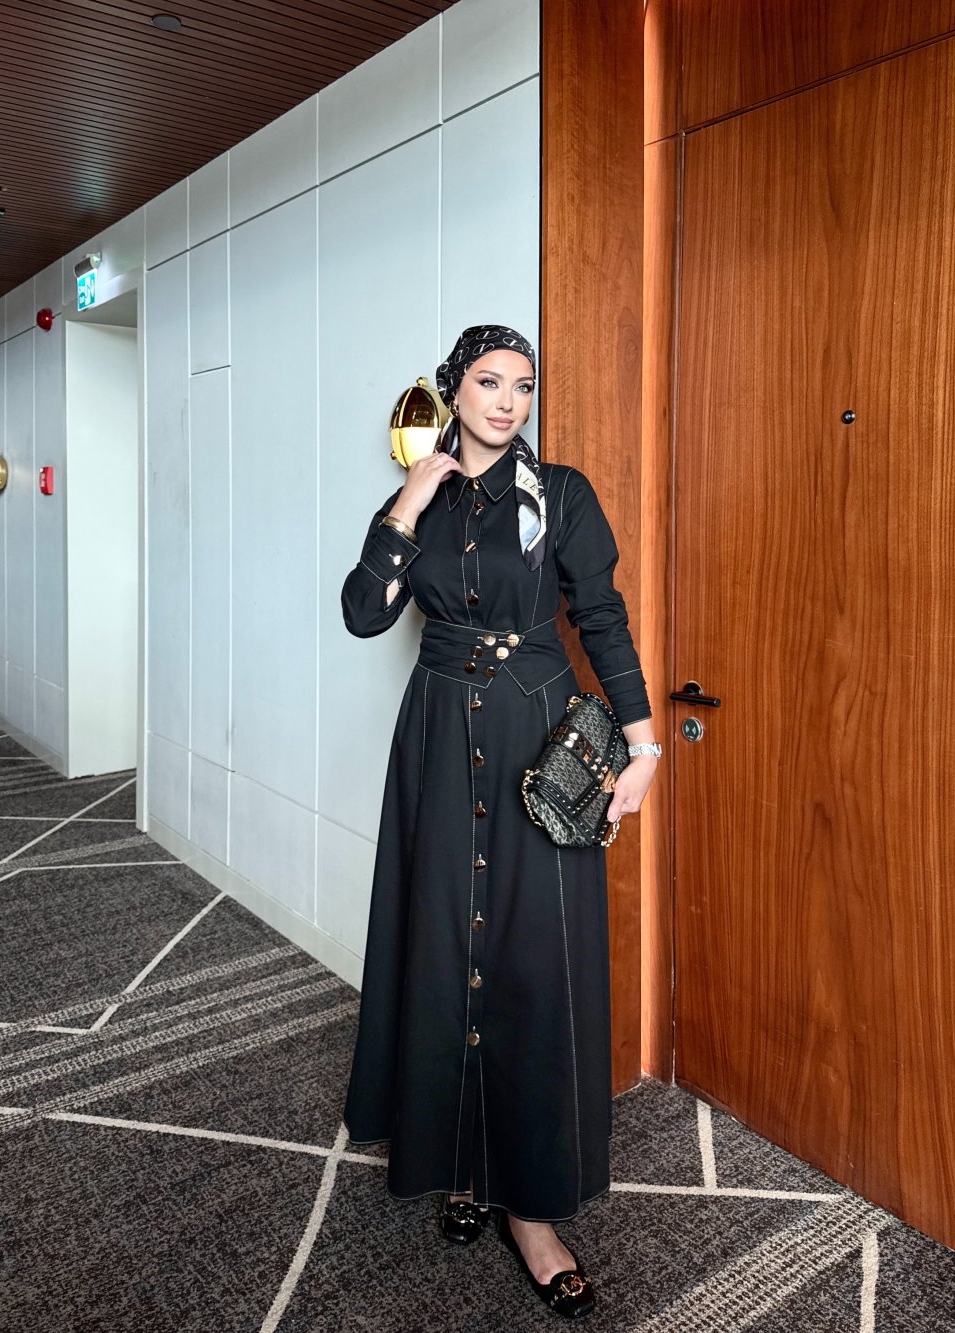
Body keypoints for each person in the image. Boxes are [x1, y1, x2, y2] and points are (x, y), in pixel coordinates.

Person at [341, 325, 658, 1319]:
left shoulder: (559, 494)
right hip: (439, 736)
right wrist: (407, 501)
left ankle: (533, 1209)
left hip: (536, 733)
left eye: (523, 385)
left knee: (531, 960)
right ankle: (461, 1163)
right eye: (488, 382)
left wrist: (643, 748)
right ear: (454, 391)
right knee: (444, 948)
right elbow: (363, 612)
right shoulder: (419, 499)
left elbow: (600, 615)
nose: (508, 400)